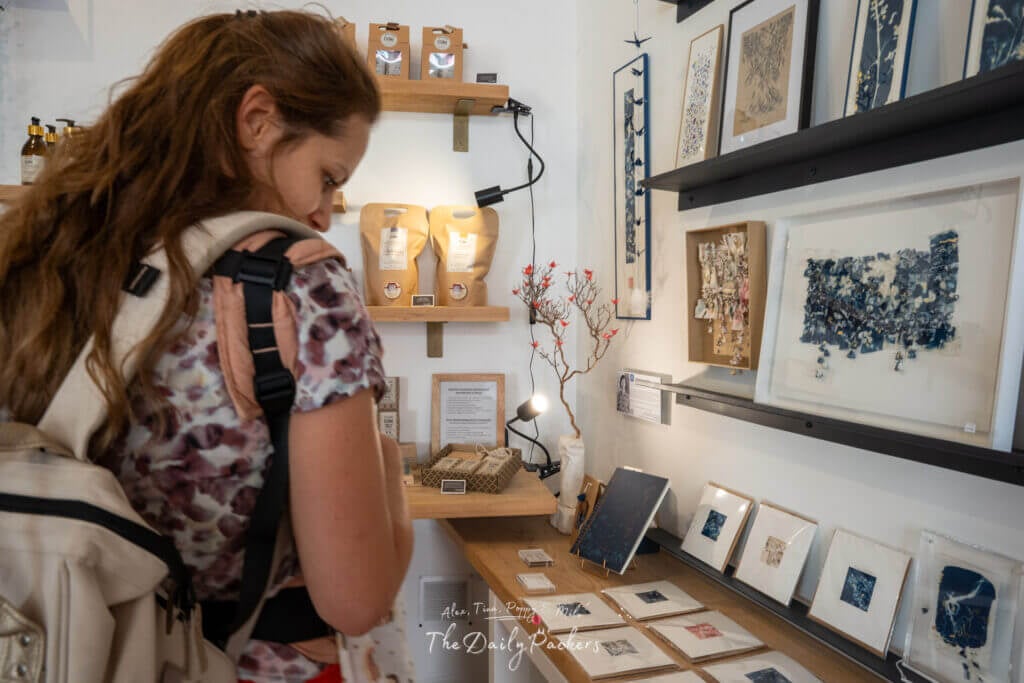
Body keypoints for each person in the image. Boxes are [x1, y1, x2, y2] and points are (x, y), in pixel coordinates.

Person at [0, 9, 413, 683]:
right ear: (257, 121)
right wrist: (388, 465)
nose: (326, 211)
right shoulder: (298, 280)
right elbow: (356, 597)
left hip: (78, 650)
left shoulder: (52, 260)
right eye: (330, 176)